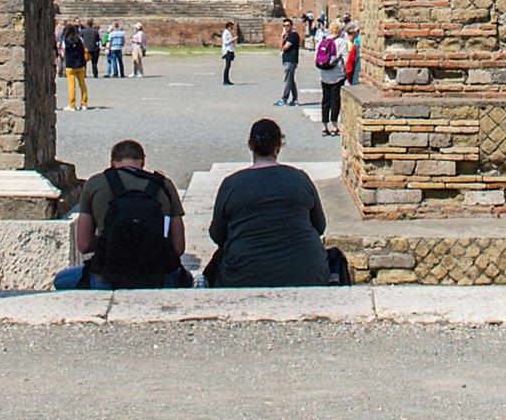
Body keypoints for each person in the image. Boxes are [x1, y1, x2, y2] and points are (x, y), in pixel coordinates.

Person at [206, 119, 343, 286]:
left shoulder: (231, 184)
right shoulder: (300, 178)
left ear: (250, 145)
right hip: (307, 272)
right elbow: (319, 227)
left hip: (243, 275)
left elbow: (217, 235)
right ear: (279, 146)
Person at [54, 140, 189, 290]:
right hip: (157, 276)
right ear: (143, 161)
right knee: (187, 278)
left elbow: (84, 244)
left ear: (112, 162)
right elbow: (178, 248)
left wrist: (112, 241)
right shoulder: (165, 185)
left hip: (108, 277)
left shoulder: (95, 183)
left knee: (61, 280)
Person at [315, 22, 349, 135]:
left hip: (324, 74)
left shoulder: (322, 41)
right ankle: (334, 126)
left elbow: (317, 57)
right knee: (335, 100)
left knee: (325, 100)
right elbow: (345, 59)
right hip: (337, 75)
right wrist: (347, 73)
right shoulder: (341, 42)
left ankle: (324, 126)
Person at [61, 19, 90, 111]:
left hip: (70, 64)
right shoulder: (79, 39)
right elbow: (84, 48)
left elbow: (63, 53)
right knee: (82, 85)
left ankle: (72, 105)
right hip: (80, 64)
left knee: (71, 86)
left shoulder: (65, 40)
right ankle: (84, 103)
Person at [277, 23, 302, 107]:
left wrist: (282, 37)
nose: (286, 27)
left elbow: (284, 48)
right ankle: (295, 100)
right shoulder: (287, 36)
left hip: (291, 61)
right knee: (291, 80)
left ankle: (284, 99)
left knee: (287, 80)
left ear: (291, 26)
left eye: (287, 25)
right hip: (287, 60)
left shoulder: (293, 35)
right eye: (284, 25)